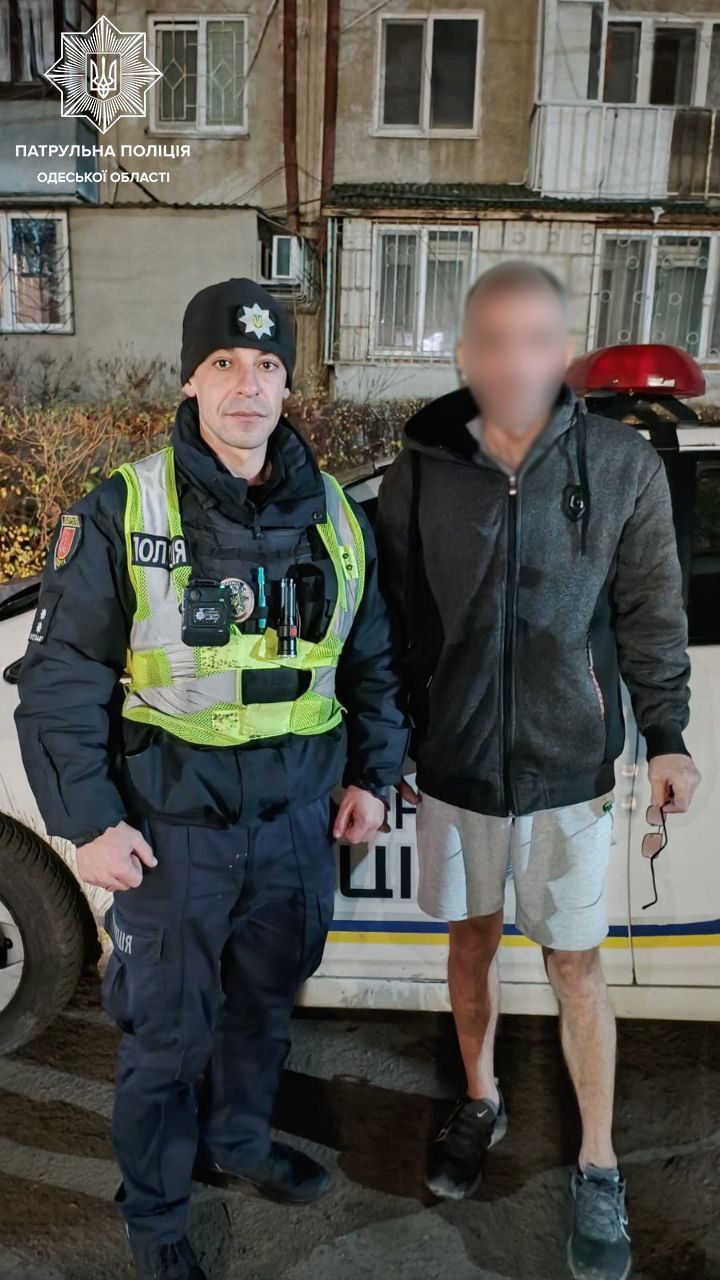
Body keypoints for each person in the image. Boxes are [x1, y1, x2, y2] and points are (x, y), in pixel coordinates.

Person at [14, 277, 409, 1280]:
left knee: (264, 1009)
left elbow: (371, 661)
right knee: (165, 1038)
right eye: (225, 363)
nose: (248, 384)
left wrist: (373, 774)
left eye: (268, 364)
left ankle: (238, 1140)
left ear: (288, 385)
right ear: (191, 378)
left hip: (296, 827)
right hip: (172, 831)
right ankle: (156, 1222)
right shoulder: (123, 509)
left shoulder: (336, 516)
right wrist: (89, 821)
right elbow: (60, 679)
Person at [375, 260, 700, 1280]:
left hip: (570, 770)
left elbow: (651, 612)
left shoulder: (621, 465)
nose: (514, 359)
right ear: (465, 353)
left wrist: (667, 731)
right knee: (469, 943)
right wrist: (394, 741)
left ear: (563, 351)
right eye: (493, 339)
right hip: (455, 767)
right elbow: (391, 623)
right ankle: (480, 1098)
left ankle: (598, 1162)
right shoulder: (419, 473)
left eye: (535, 338)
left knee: (575, 966)